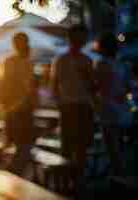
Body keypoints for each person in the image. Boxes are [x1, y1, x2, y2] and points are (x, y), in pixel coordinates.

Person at [51, 25, 94, 192]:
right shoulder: (61, 60)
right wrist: (60, 104)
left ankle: (77, 183)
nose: (80, 41)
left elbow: (92, 87)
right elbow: (53, 85)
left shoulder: (87, 60)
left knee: (82, 147)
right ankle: (65, 183)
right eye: (78, 38)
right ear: (71, 39)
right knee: (67, 147)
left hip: (83, 107)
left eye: (82, 38)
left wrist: (89, 78)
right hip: (68, 107)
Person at [0, 32, 38, 176]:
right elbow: (26, 89)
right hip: (19, 110)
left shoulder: (12, 61)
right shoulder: (20, 62)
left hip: (16, 110)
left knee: (19, 145)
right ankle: (13, 173)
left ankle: (13, 173)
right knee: (23, 146)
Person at [94, 32, 135, 175]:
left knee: (111, 145)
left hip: (108, 108)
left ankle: (116, 173)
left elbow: (98, 87)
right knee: (120, 144)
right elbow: (129, 87)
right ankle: (119, 172)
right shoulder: (121, 64)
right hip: (122, 107)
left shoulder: (101, 64)